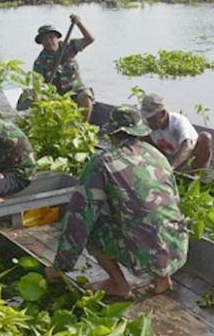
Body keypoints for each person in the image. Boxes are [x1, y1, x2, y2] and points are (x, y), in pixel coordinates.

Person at [46, 105, 188, 298]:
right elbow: (175, 202)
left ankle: (118, 284)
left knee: (92, 223)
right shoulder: (156, 154)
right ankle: (163, 280)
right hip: (178, 249)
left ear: (114, 134)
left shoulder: (103, 161)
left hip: (149, 255)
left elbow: (79, 217)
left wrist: (61, 266)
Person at [33, 14, 95, 122]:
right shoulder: (39, 62)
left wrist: (79, 23)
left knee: (86, 95)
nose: (49, 41)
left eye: (51, 37)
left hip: (76, 90)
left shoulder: (69, 46)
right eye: (45, 39)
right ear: (41, 43)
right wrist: (39, 106)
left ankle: (84, 127)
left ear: (57, 38)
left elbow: (90, 39)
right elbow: (37, 87)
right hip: (57, 96)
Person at [140, 93, 212, 170]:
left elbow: (187, 146)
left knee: (205, 137)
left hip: (187, 158)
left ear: (162, 114)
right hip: (167, 156)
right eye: (147, 118)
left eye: (152, 118)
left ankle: (196, 173)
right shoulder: (148, 124)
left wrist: (172, 168)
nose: (149, 122)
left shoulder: (178, 122)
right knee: (140, 136)